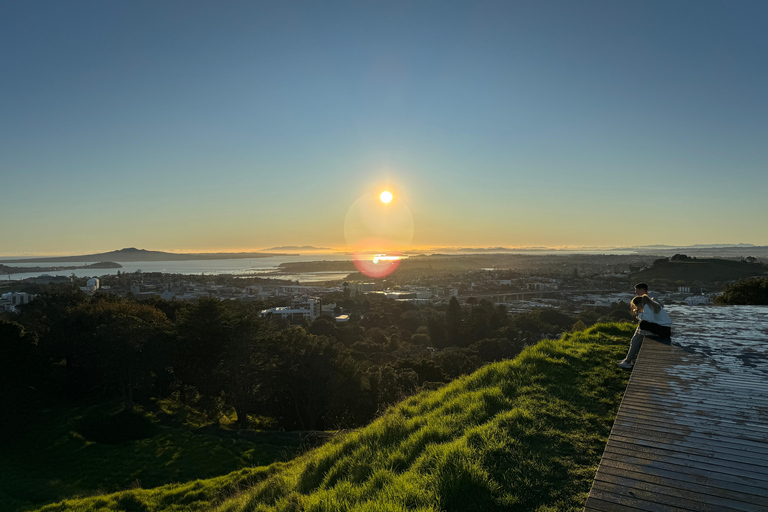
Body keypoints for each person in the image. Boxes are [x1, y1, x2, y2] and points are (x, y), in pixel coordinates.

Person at [617, 283, 672, 369]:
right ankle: (630, 359)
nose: (636, 292)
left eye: (637, 290)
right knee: (637, 339)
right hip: (664, 328)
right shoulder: (651, 302)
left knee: (637, 336)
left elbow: (648, 320)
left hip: (663, 330)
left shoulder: (647, 305)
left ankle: (628, 361)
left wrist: (639, 314)